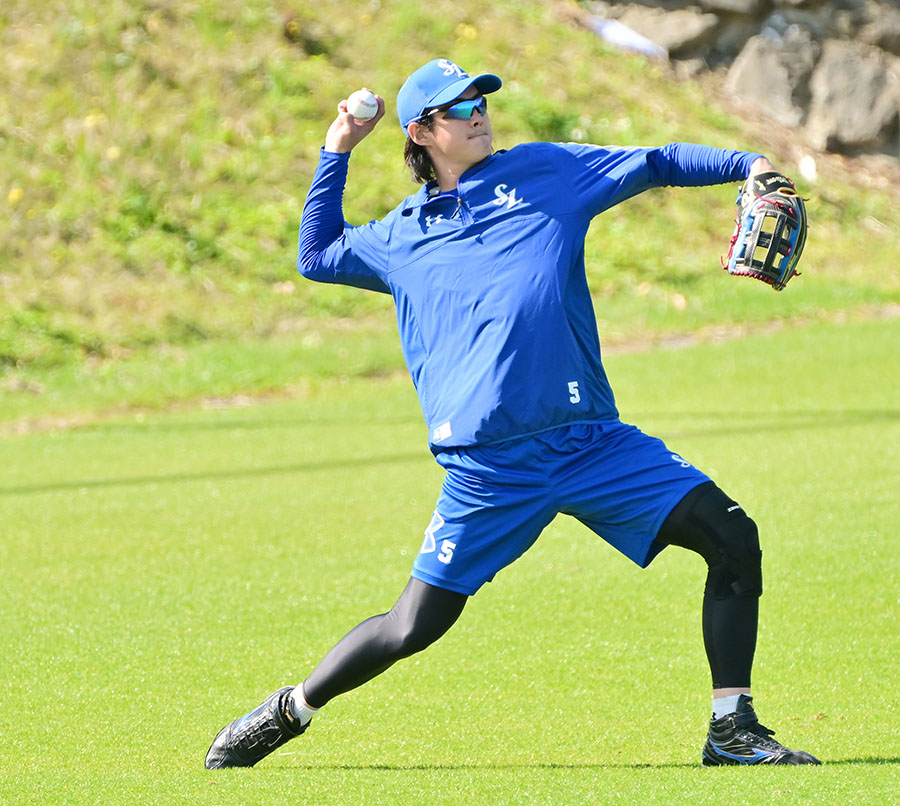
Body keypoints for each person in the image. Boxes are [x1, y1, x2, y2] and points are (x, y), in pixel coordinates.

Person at [205, 58, 820, 769]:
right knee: (413, 626)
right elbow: (316, 255)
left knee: (733, 537)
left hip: (591, 444)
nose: (477, 114)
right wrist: (338, 147)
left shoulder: (546, 174)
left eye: (479, 102)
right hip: (489, 471)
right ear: (421, 132)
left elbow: (654, 162)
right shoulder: (401, 238)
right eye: (458, 108)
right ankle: (291, 709)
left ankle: (732, 729)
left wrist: (748, 164)